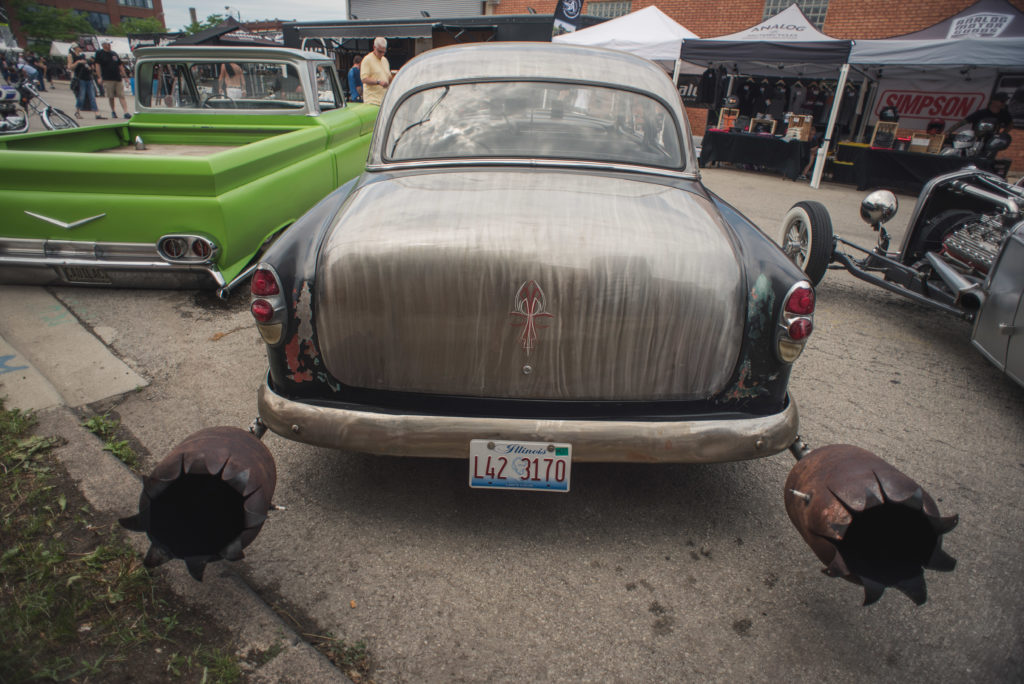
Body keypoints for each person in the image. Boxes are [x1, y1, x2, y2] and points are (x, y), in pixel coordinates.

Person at [94, 40, 130, 119]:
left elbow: (120, 66)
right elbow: (97, 65)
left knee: (121, 95)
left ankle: (126, 112)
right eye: (108, 44)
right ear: (103, 45)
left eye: (110, 44)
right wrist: (99, 77)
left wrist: (125, 77)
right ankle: (113, 111)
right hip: (107, 78)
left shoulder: (114, 54)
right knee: (111, 96)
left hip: (117, 78)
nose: (109, 45)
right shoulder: (100, 53)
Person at [948, 93, 1013, 135]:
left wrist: (1003, 134)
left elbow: (1010, 124)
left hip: (991, 142)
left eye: (1005, 101)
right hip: (976, 140)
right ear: (993, 101)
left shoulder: (1004, 114)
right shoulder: (981, 113)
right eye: (1002, 101)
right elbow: (963, 122)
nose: (1004, 103)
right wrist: (948, 132)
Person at [68, 45, 104, 120]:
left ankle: (96, 113)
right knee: (81, 96)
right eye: (80, 47)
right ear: (76, 48)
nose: (81, 49)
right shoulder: (72, 55)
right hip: (80, 78)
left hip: (88, 77)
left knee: (92, 96)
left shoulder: (83, 55)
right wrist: (78, 62)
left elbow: (87, 65)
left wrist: (90, 67)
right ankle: (77, 111)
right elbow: (70, 67)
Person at [360, 37, 391, 106]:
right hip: (372, 101)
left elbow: (388, 77)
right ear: (374, 47)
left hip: (384, 102)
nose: (382, 54)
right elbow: (364, 79)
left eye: (384, 52)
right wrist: (378, 82)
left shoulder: (385, 60)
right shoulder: (367, 59)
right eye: (380, 51)